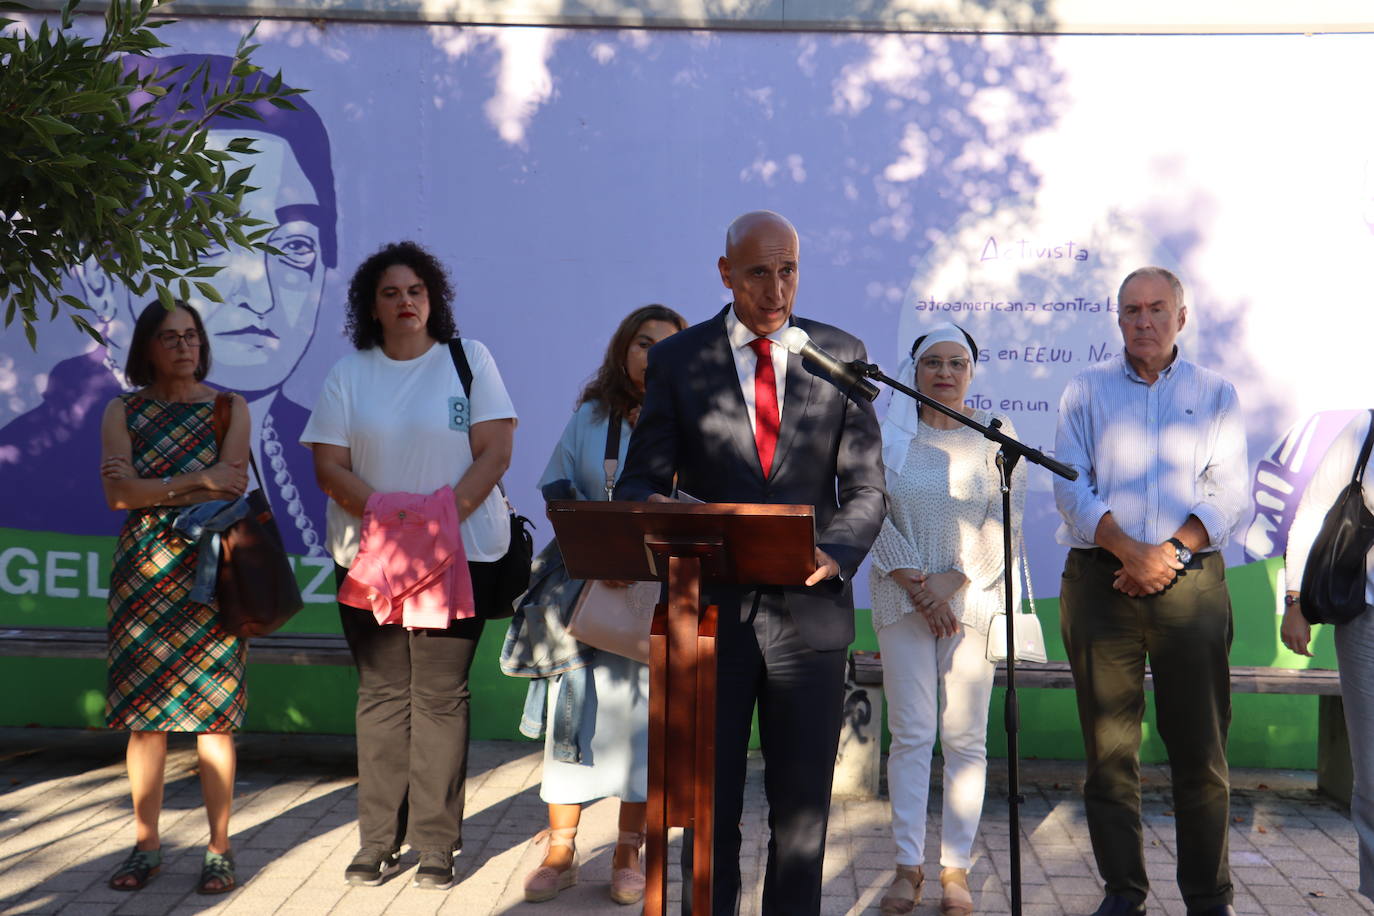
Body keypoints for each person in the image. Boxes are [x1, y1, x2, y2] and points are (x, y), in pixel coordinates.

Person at [614, 210, 887, 915]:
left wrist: (838, 552)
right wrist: (686, 521)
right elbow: (639, 483)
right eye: (760, 272)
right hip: (711, 615)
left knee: (802, 815)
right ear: (726, 272)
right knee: (709, 810)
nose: (776, 289)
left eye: (789, 270)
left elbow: (865, 488)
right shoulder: (680, 360)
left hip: (809, 611)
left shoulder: (838, 354)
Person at [0, 52, 335, 557]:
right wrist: (209, 478)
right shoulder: (32, 460)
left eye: (294, 246)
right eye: (205, 242)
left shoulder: (321, 458)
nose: (262, 295)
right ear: (99, 272)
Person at [301, 241, 517, 890]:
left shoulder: (469, 360)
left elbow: (496, 450)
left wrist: (437, 521)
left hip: (461, 557)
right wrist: (398, 519)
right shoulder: (349, 374)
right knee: (383, 697)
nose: (405, 302)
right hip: (369, 560)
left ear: (434, 300)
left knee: (440, 698)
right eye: (391, 293)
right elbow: (328, 466)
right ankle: (376, 843)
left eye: (416, 291)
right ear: (372, 306)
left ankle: (436, 847)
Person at [1052, 266, 1248, 916]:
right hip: (1101, 582)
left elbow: (1229, 492)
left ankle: (1209, 896)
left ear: (1181, 318)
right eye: (1131, 311)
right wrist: (1131, 551)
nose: (1144, 322)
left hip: (1190, 585)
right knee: (1109, 755)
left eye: (1157, 309)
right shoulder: (1084, 391)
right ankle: (1123, 892)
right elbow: (1070, 485)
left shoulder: (1216, 394)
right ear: (1117, 319)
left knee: (1201, 751)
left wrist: (1167, 552)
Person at [518, 304, 687, 906]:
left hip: (655, 602)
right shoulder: (592, 417)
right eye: (642, 343)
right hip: (589, 596)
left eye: (667, 346)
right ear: (624, 351)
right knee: (575, 726)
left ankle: (626, 853)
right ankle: (561, 852)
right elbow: (558, 490)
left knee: (643, 732)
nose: (652, 355)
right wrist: (600, 554)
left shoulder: (694, 420)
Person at [868, 322, 1025, 916]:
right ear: (913, 370)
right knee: (911, 735)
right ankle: (907, 867)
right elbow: (868, 510)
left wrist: (952, 583)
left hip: (972, 602)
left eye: (957, 363)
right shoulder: (887, 435)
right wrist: (916, 583)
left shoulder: (997, 437)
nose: (945, 373)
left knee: (964, 740)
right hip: (899, 598)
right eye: (933, 362)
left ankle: (954, 870)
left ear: (972, 372)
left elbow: (1005, 521)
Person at [99, 300, 251, 895]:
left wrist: (154, 488)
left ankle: (219, 848)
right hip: (142, 576)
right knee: (145, 722)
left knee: (214, 721)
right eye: (170, 337)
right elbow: (116, 495)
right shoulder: (123, 409)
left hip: (212, 577)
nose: (184, 346)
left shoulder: (228, 406)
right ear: (148, 348)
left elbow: (231, 481)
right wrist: (195, 480)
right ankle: (146, 846)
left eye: (191, 336)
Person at [1281, 410, 1374, 903]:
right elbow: (1313, 511)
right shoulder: (1365, 429)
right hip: (1367, 623)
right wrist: (1294, 600)